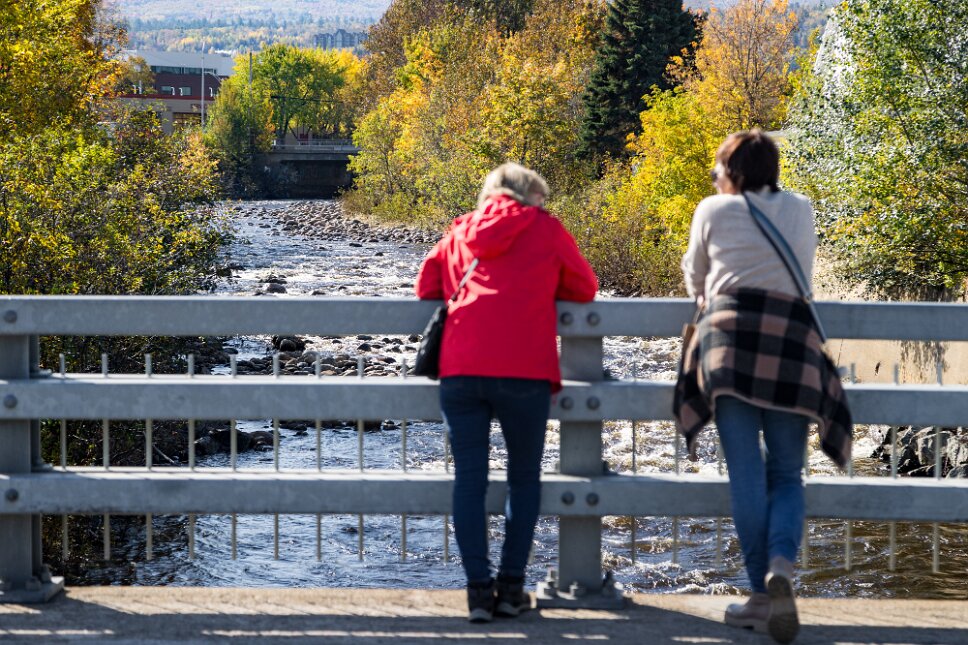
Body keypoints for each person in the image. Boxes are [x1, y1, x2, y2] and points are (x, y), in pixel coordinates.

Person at [674, 130, 852, 644]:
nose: (715, 179)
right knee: (787, 474)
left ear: (733, 171)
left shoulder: (711, 210)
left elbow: (696, 279)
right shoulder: (802, 206)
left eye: (717, 170)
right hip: (792, 347)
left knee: (746, 475)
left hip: (729, 347)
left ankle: (759, 595)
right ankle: (781, 566)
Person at [415, 162, 598, 623]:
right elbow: (585, 287)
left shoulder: (461, 230)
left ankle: (478, 592)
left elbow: (426, 286)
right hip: (525, 372)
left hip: (462, 370)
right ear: (532, 196)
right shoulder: (546, 229)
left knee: (469, 482)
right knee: (524, 478)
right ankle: (512, 589)